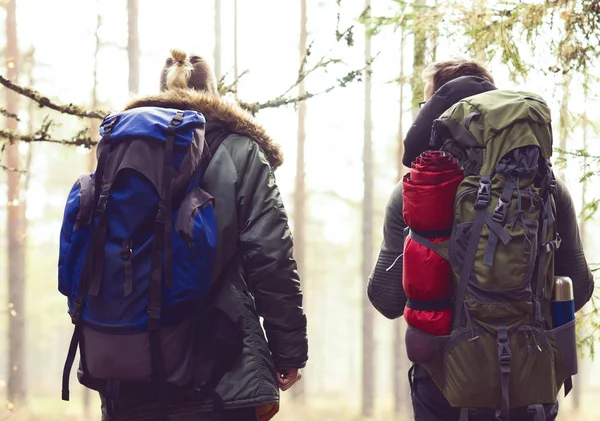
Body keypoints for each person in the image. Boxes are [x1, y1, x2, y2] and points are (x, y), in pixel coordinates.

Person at [368, 58, 595, 421]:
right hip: (530, 382)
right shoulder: (547, 187)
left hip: (444, 385)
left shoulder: (415, 191)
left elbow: (386, 298)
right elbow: (579, 288)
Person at [99, 48, 309, 421]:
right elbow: (270, 255)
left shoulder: (119, 150)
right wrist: (288, 349)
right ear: (212, 93)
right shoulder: (241, 152)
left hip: (129, 361)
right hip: (221, 368)